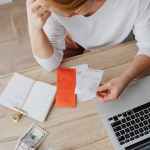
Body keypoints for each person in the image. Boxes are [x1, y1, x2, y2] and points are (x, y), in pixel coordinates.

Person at [26, 0, 150, 102]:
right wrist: (35, 28)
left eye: (75, 12)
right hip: (74, 39)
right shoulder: (52, 4)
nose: (67, 16)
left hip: (125, 37)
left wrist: (125, 78)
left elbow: (147, 48)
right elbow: (49, 64)